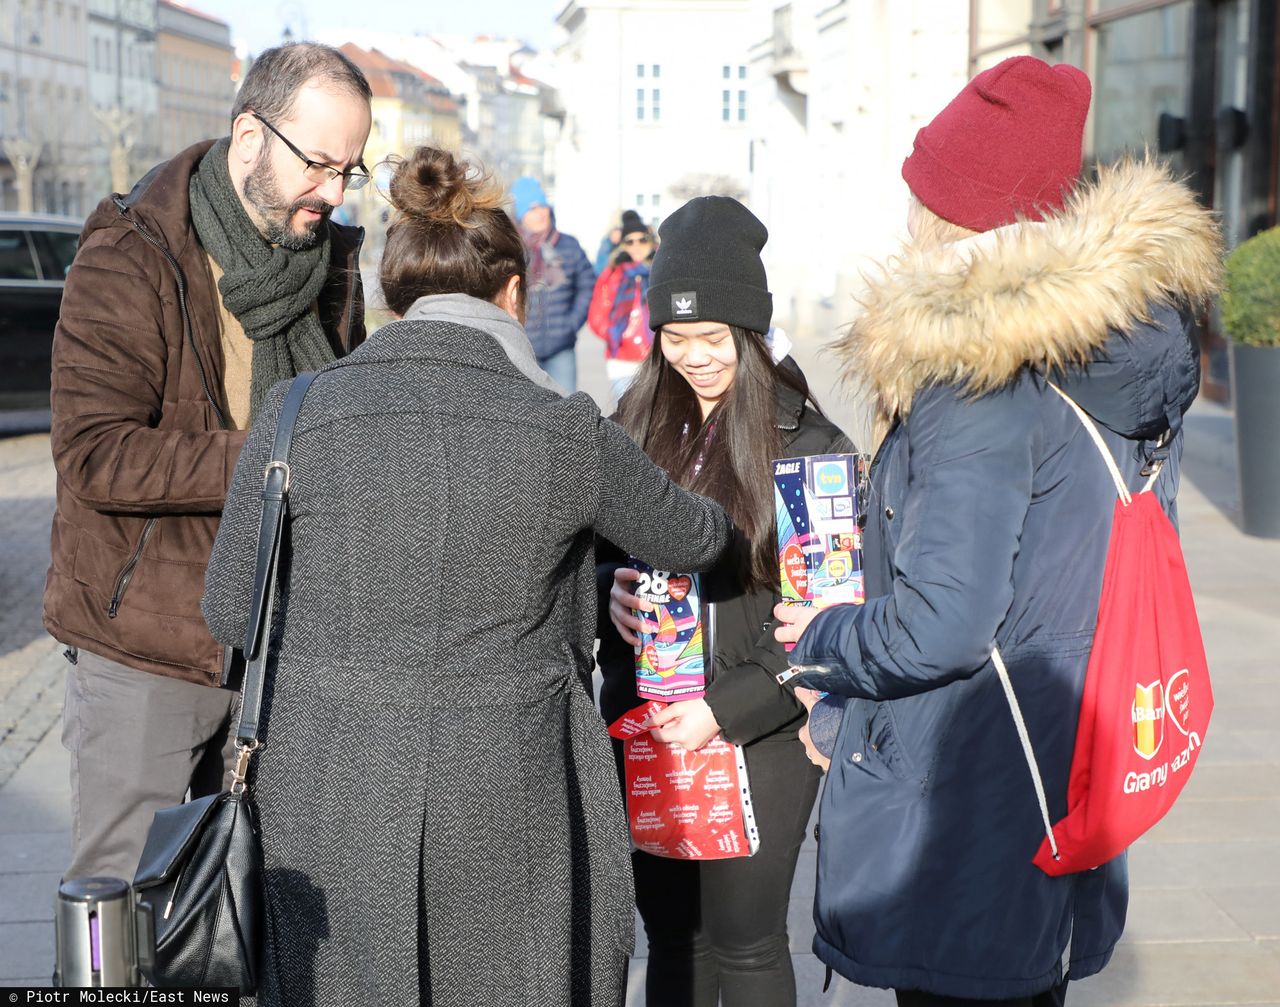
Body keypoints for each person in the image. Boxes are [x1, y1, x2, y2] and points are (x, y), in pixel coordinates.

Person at [201, 146, 734, 1007]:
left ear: (390, 296)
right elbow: (698, 535)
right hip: (509, 782)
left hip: (326, 784)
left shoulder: (295, 412)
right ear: (513, 296)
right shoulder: (563, 430)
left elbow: (231, 607)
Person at [774, 56, 1222, 1006]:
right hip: (1067, 773)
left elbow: (946, 620)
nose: (904, 221)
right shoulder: (1121, 349)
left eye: (918, 197)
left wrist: (822, 645)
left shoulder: (977, 372)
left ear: (953, 214)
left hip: (967, 806)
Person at [43, 42, 373, 884]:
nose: (332, 194)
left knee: (240, 927)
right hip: (145, 650)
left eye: (350, 170)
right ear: (249, 135)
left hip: (286, 649)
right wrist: (273, 460)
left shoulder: (331, 262)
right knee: (122, 917)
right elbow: (95, 455)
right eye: (320, 165)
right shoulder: (132, 249)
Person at [598, 195, 855, 1007]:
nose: (695, 358)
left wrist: (726, 708)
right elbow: (587, 549)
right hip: (651, 722)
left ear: (751, 332)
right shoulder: (633, 420)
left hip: (761, 727)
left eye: (714, 339)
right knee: (673, 937)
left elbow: (830, 620)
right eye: (675, 339)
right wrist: (605, 594)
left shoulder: (809, 445)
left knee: (744, 939)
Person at [511, 175, 595, 390]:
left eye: (542, 207)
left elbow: (587, 285)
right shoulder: (513, 251)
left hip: (561, 347)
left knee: (567, 412)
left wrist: (571, 323)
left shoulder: (569, 245)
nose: (539, 214)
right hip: (522, 348)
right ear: (521, 215)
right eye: (531, 209)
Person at [587, 209, 657, 400]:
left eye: (642, 240)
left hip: (656, 356)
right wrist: (614, 334)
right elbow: (597, 314)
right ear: (622, 245)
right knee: (626, 417)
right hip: (621, 359)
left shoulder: (661, 270)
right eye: (629, 241)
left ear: (650, 241)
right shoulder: (613, 273)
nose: (636, 246)